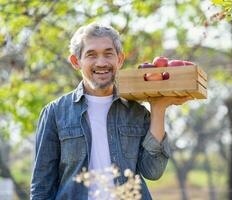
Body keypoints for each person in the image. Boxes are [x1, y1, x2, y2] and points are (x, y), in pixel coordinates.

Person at [30, 22, 191, 200]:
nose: (101, 62)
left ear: (119, 59)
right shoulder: (55, 113)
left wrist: (159, 108)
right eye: (91, 55)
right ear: (76, 62)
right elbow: (41, 185)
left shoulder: (136, 112)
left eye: (108, 54)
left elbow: (153, 171)